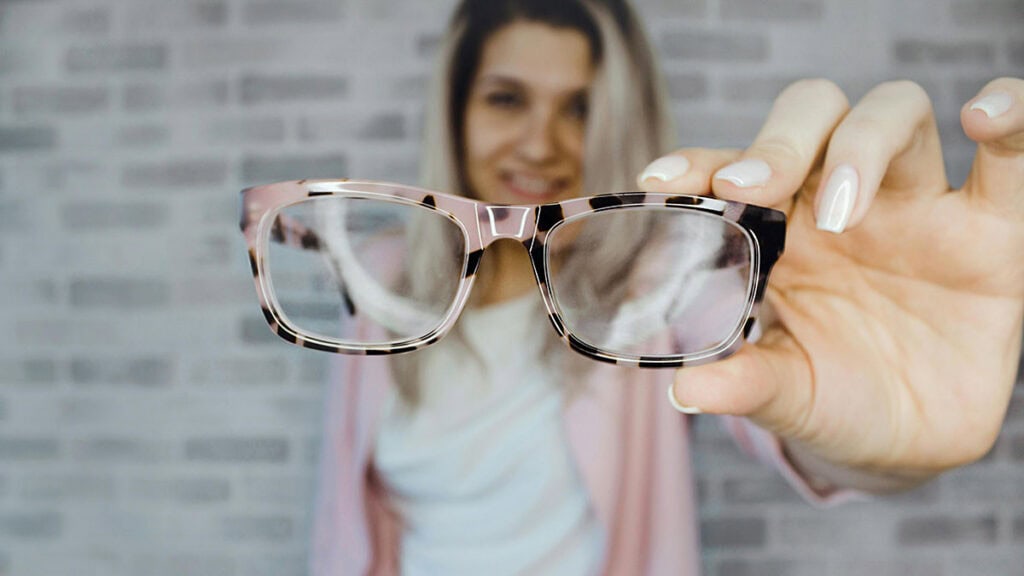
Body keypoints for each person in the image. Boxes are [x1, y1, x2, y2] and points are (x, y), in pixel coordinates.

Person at [300, 0, 1024, 574]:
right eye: (506, 99)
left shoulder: (659, 278)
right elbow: (346, 528)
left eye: (580, 108)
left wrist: (890, 429)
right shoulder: (382, 274)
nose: (539, 143)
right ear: (455, 113)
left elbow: (780, 395)